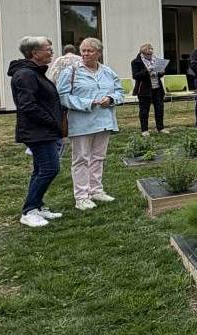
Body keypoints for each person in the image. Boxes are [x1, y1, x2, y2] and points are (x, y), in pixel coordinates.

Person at [57, 37, 123, 211]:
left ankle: (96, 190)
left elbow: (119, 91)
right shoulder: (70, 72)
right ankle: (81, 196)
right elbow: (62, 97)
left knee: (98, 157)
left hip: (104, 121)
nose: (85, 54)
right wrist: (87, 103)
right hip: (81, 123)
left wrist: (111, 98)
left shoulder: (108, 71)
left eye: (90, 51)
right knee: (81, 159)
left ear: (98, 53)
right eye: (83, 50)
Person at [10, 36, 63, 227]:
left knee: (41, 169)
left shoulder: (34, 72)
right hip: (38, 131)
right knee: (50, 169)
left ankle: (37, 206)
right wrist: (52, 122)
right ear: (35, 53)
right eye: (48, 49)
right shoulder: (26, 74)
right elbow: (28, 105)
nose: (51, 52)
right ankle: (29, 210)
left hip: (42, 130)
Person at [131, 43, 167, 136]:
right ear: (142, 53)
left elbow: (160, 75)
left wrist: (161, 72)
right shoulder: (136, 62)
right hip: (144, 89)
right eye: (148, 54)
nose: (150, 56)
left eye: (151, 53)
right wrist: (147, 70)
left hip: (157, 88)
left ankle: (160, 128)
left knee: (159, 109)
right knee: (144, 110)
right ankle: (144, 130)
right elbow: (135, 76)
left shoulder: (155, 60)